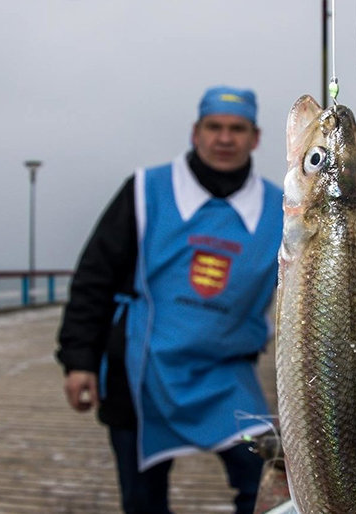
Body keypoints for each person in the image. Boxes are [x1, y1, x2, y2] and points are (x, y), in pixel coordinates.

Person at [56, 86, 283, 514]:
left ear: (255, 138)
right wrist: (79, 359)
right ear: (196, 132)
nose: (224, 138)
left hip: (227, 373)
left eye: (237, 129)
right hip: (140, 371)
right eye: (214, 127)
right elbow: (94, 278)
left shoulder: (282, 208)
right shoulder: (146, 190)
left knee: (267, 488)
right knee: (143, 501)